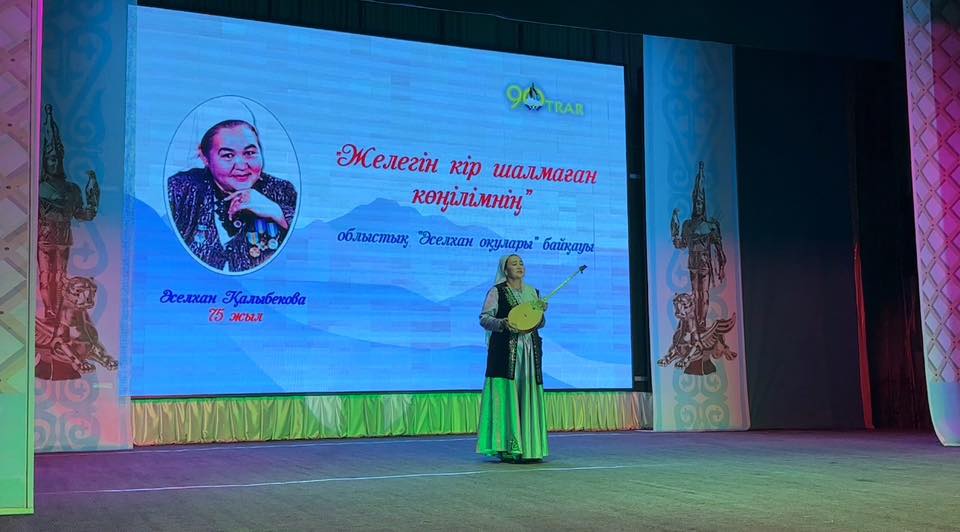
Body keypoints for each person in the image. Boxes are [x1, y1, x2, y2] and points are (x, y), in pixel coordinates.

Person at [167, 119, 297, 272]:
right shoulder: (180, 189)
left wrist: (277, 212)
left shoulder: (282, 190)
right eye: (228, 155)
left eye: (250, 153)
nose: (241, 166)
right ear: (204, 157)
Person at [476, 254, 549, 462]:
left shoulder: (533, 292)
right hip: (505, 354)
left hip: (529, 354)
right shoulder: (497, 291)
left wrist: (541, 313)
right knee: (507, 396)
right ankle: (507, 447)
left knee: (528, 394)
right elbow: (484, 318)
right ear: (505, 270)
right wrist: (503, 324)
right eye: (513, 264)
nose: (519, 266)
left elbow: (539, 323)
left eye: (521, 263)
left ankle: (530, 448)